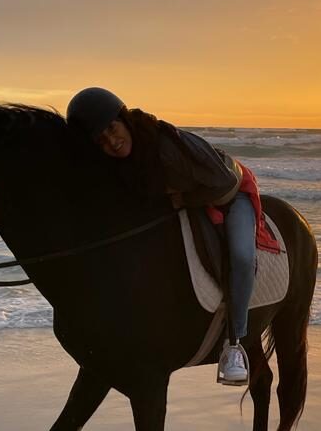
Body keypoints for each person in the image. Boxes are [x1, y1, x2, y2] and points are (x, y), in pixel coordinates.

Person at [67, 87, 264, 385]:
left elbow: (224, 182)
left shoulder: (166, 145)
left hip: (231, 196)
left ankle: (234, 345)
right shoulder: (123, 162)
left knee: (241, 255)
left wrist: (182, 200)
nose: (112, 141)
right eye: (102, 140)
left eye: (112, 128)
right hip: (198, 201)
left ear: (124, 119)